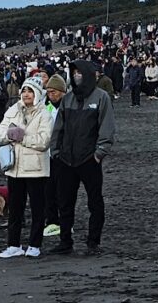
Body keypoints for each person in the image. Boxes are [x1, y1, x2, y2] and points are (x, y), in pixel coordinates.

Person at [48, 59, 115, 255]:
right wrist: (56, 151)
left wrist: (99, 153)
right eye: (73, 72)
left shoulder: (101, 98)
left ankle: (93, 241)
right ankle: (65, 240)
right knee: (65, 202)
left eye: (79, 72)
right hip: (66, 159)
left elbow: (107, 128)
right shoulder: (68, 99)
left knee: (94, 201)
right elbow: (59, 127)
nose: (76, 76)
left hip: (89, 159)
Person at [0, 76, 53, 259]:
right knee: (15, 208)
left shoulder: (45, 114)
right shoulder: (13, 110)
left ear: (37, 93)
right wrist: (11, 135)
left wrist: (22, 137)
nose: (27, 94)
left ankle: (35, 244)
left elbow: (44, 141)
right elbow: (0, 135)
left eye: (30, 91)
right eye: (24, 91)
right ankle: (14, 244)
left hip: (36, 168)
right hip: (15, 167)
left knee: (37, 208)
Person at [42, 72, 67, 238]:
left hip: (65, 155)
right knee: (48, 190)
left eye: (54, 92)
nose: (51, 95)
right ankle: (52, 221)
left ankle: (64, 222)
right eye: (48, 92)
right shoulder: (46, 107)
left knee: (64, 191)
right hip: (48, 154)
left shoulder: (70, 106)